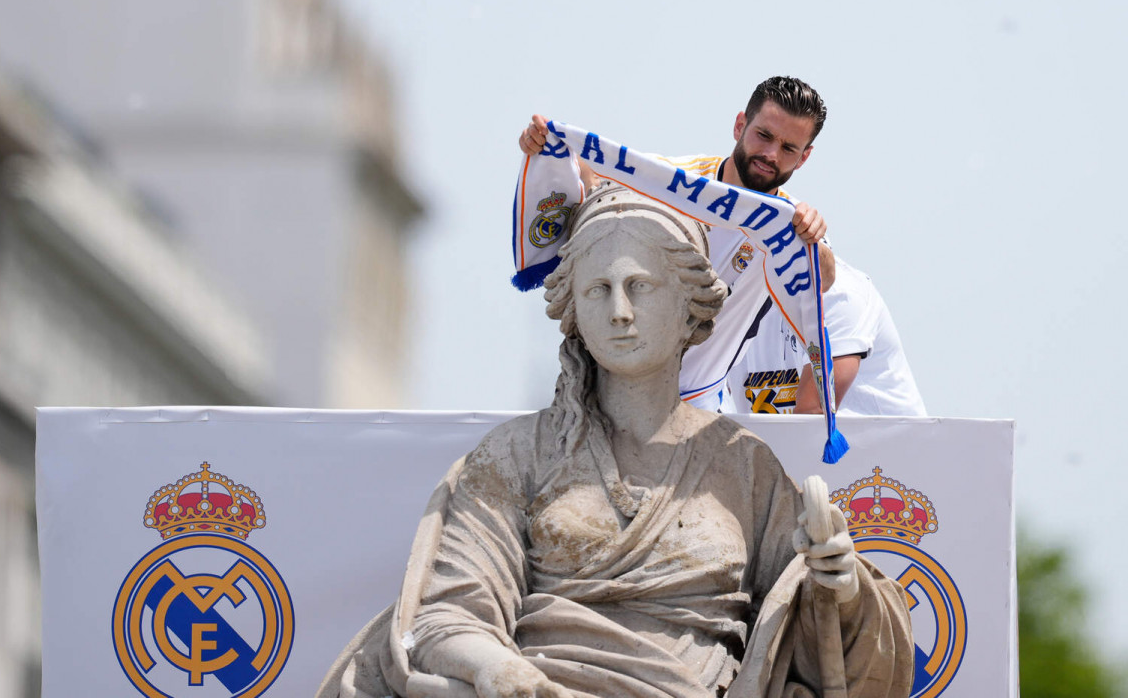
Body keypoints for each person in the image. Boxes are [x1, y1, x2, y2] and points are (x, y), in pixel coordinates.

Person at [318, 185, 913, 698]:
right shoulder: (517, 455)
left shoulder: (745, 467)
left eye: (640, 286)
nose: (620, 311)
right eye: (598, 289)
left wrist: (842, 586)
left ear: (690, 307)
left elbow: (821, 642)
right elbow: (447, 614)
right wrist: (496, 667)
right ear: (572, 307)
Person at [518, 76, 834, 412]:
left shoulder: (788, 223)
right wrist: (543, 144)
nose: (770, 154)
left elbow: (824, 279)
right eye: (764, 135)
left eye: (788, 148)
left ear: (804, 158)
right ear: (740, 125)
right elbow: (590, 168)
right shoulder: (676, 180)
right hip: (610, 397)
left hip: (701, 405)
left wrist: (814, 238)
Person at [727, 257, 927, 416]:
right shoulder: (727, 296)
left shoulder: (841, 295)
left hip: (887, 459)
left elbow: (813, 413)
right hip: (790, 456)